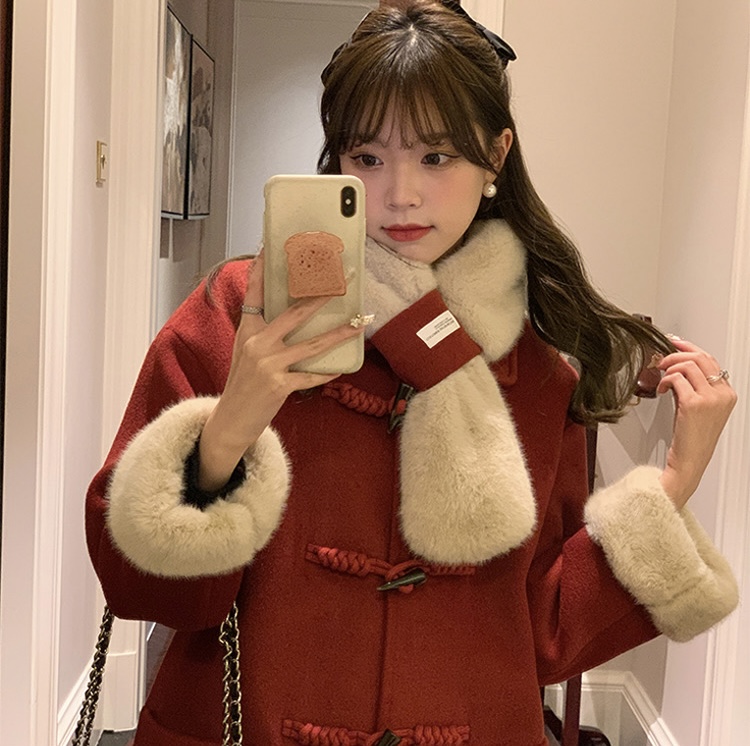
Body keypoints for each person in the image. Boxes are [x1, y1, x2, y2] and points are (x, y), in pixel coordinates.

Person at [86, 3, 739, 744]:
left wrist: (675, 482)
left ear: (496, 155)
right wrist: (231, 426)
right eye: (368, 157)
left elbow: (544, 633)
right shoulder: (241, 316)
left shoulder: (532, 363)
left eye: (436, 156)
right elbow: (141, 591)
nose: (400, 193)